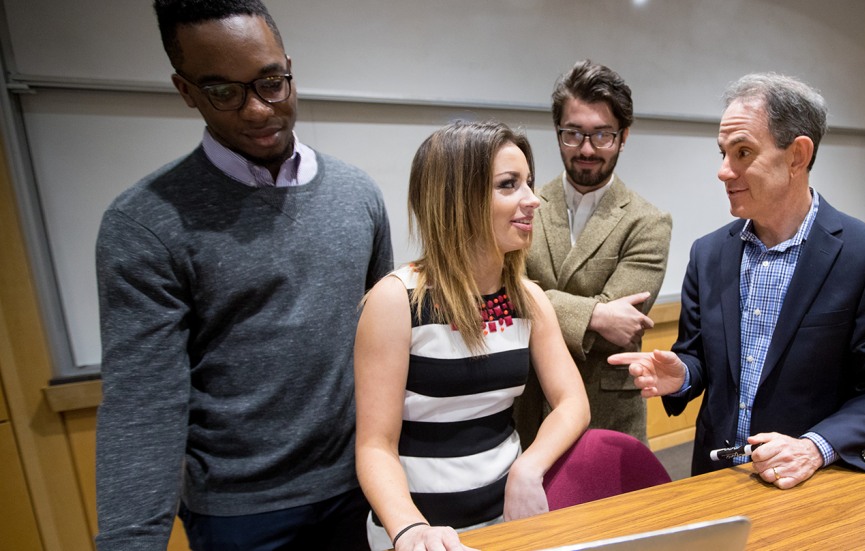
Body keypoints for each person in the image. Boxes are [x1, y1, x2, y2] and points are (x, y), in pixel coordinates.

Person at [94, 1, 393, 549]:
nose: (257, 110)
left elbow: (387, 350)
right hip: (241, 514)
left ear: (288, 69)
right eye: (224, 92)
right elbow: (142, 405)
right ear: (187, 91)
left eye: (270, 82)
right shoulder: (145, 223)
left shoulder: (358, 195)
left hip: (365, 488)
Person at [609, 73, 865, 489]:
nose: (724, 171)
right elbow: (698, 354)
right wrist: (682, 374)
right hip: (717, 477)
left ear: (797, 156)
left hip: (811, 480)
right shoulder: (709, 253)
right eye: (722, 153)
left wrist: (814, 446)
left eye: (742, 152)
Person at [354, 121, 590, 551]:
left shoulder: (528, 299)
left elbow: (573, 402)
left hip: (505, 524)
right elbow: (375, 446)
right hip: (419, 533)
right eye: (509, 185)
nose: (532, 200)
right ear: (457, 198)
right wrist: (409, 528)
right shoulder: (396, 300)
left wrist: (528, 468)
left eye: (529, 183)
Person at [514, 60, 672, 445]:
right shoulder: (524, 204)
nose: (586, 149)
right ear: (557, 132)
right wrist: (597, 313)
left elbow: (620, 330)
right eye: (574, 133)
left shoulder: (648, 221)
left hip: (606, 417)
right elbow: (503, 296)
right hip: (525, 410)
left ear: (623, 136)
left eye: (602, 135)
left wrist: (529, 299)